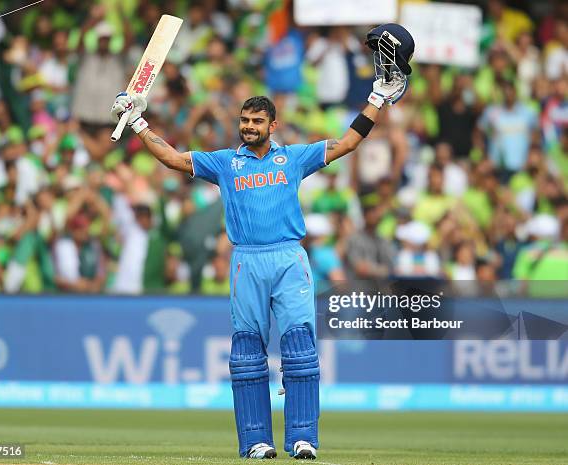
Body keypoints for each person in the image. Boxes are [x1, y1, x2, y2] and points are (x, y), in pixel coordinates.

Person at [110, 26, 410, 460]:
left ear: (273, 124)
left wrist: (377, 98)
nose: (249, 127)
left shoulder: (294, 157)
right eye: (244, 121)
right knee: (247, 357)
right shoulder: (224, 162)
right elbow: (173, 158)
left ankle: (303, 439)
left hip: (289, 258)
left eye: (256, 122)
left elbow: (348, 141)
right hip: (246, 261)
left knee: (301, 352)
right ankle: (256, 443)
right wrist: (138, 121)